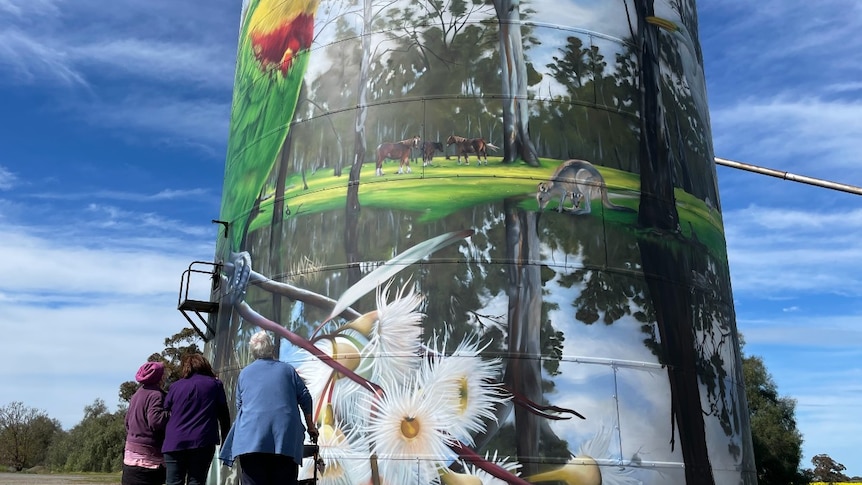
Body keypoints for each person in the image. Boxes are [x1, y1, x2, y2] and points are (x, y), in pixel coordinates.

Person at [219, 331, 318, 485]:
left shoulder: (244, 374)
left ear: (252, 352)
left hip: (250, 441)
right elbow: (305, 398)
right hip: (284, 440)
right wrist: (311, 426)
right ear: (271, 349)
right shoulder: (288, 370)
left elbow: (240, 407)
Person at [162, 353, 231, 485]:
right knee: (197, 481)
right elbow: (224, 416)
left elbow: (166, 410)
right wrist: (226, 441)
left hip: (174, 442)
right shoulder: (214, 385)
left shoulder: (174, 387)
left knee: (173, 482)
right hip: (202, 441)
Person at [123, 361, 169, 485]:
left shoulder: (136, 395)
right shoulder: (156, 395)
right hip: (148, 461)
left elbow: (127, 422)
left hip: (130, 457)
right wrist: (172, 414)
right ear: (159, 377)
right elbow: (156, 421)